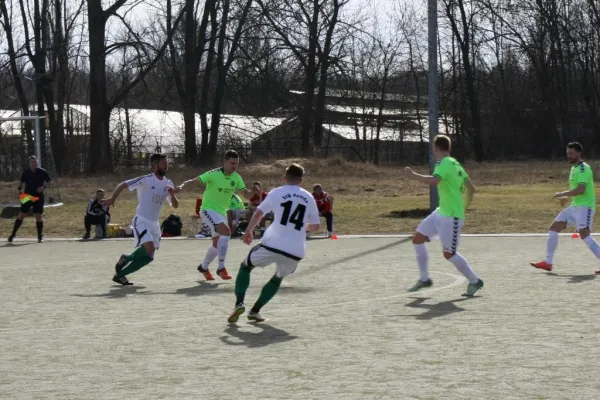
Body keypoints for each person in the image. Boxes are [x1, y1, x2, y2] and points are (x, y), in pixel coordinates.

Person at [227, 163, 321, 323]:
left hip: (273, 243)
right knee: (278, 277)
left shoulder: (276, 192)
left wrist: (249, 231)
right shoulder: (309, 197)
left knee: (245, 266)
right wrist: (299, 227)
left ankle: (239, 303)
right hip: (296, 250)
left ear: (284, 178)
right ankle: (255, 311)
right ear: (302, 180)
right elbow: (316, 226)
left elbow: (258, 213)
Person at [403, 135, 484, 297]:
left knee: (449, 254)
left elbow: (434, 181)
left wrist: (414, 176)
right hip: (442, 212)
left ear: (436, 148)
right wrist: (464, 206)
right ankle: (424, 279)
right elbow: (471, 188)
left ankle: (475, 281)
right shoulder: (456, 164)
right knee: (417, 238)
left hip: (451, 217)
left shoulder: (444, 163)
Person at [178, 150, 255, 281]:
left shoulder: (236, 177)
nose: (234, 166)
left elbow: (245, 194)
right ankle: (221, 268)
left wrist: (253, 191)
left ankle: (203, 267)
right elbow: (195, 181)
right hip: (207, 210)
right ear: (224, 162)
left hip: (221, 212)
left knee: (217, 243)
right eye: (232, 163)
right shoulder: (213, 174)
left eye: (236, 164)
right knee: (226, 232)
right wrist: (182, 186)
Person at [104, 153, 180, 285]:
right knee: (149, 247)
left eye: (166, 162)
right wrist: (112, 199)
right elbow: (123, 184)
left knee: (150, 257)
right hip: (142, 220)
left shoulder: (168, 183)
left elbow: (175, 205)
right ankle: (127, 258)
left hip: (155, 224)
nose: (166, 165)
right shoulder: (146, 180)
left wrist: (173, 195)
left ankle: (120, 275)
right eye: (163, 162)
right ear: (154, 165)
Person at [530, 142, 600, 273]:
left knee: (584, 235)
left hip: (585, 207)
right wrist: (567, 198)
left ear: (579, 153)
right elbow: (576, 190)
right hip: (575, 207)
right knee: (554, 228)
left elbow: (581, 189)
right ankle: (548, 262)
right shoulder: (574, 169)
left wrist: (562, 194)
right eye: (567, 153)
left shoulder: (583, 168)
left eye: (571, 153)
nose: (569, 156)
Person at [8, 156, 52, 243]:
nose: (33, 164)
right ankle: (13, 234)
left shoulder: (42, 172)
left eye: (35, 162)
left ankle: (40, 236)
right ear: (29, 163)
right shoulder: (26, 172)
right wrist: (19, 189)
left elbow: (49, 182)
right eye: (32, 162)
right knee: (21, 215)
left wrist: (43, 187)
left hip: (38, 196)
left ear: (37, 163)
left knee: (38, 216)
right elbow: (21, 181)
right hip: (27, 196)